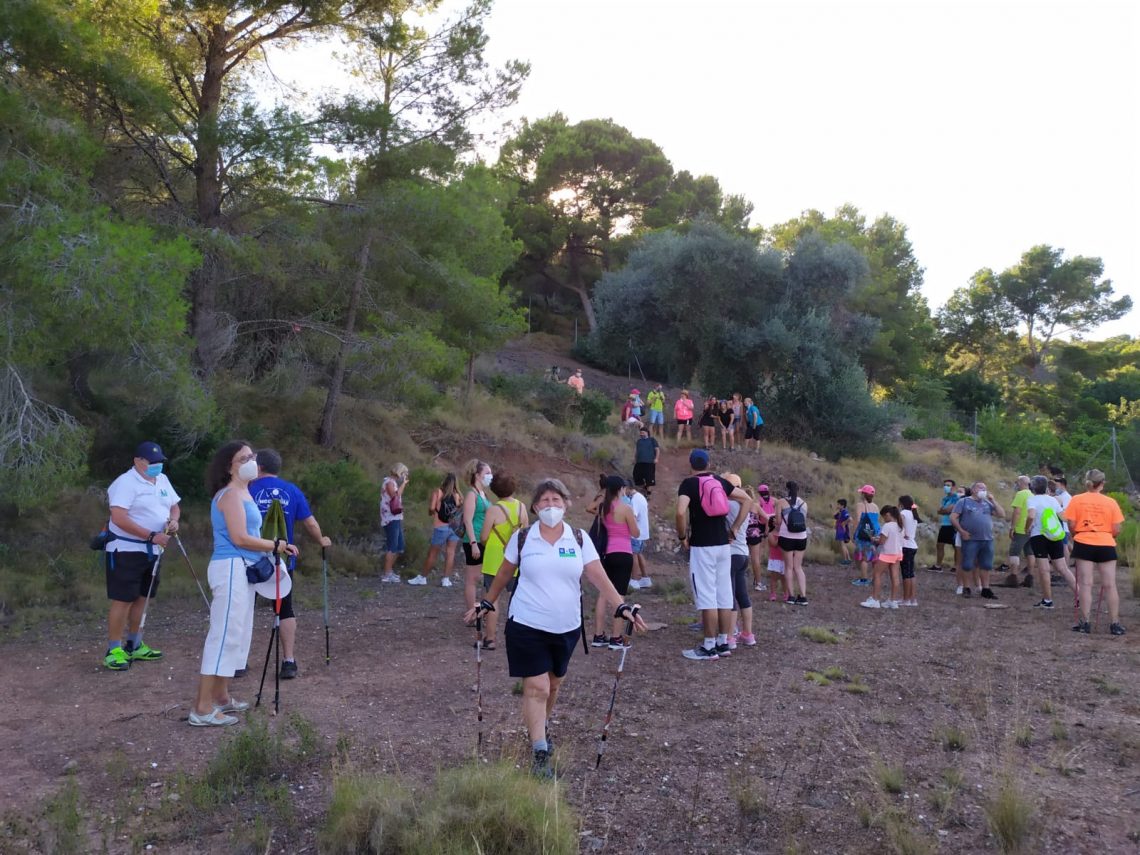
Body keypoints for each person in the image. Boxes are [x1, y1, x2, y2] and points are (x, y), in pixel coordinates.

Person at [466, 479, 648, 778]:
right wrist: (487, 602)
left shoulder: (577, 538)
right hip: (526, 622)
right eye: (545, 501)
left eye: (556, 500)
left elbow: (597, 575)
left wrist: (621, 606)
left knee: (553, 684)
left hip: (566, 627)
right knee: (536, 687)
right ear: (535, 507)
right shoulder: (524, 538)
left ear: (566, 504)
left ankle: (540, 728)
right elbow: (505, 572)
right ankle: (539, 750)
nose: (551, 506)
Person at [191, 440, 298, 726]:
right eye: (244, 458)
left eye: (252, 456)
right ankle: (201, 708)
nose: (252, 460)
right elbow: (239, 537)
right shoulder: (229, 495)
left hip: (243, 569)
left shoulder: (244, 492)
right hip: (230, 568)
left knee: (237, 634)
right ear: (229, 466)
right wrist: (276, 545)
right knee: (223, 634)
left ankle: (222, 697)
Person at [249, 449, 332, 679]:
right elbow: (310, 522)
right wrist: (321, 540)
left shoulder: (247, 489)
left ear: (259, 467)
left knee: (246, 609)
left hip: (252, 559)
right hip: (282, 560)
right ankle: (288, 660)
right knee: (285, 608)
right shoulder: (291, 490)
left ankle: (238, 661)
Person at [101, 441, 182, 671]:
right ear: (138, 461)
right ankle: (113, 649)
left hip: (154, 551)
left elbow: (174, 505)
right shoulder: (125, 483)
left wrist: (174, 520)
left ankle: (134, 644)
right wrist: (150, 536)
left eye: (159, 462)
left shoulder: (162, 480)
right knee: (123, 598)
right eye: (152, 462)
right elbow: (118, 517)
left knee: (142, 598)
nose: (157, 466)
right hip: (127, 550)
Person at [676, 449, 750, 660]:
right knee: (724, 595)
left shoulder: (688, 484)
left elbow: (681, 511)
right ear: (708, 463)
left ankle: (708, 647)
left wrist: (682, 536)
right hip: (724, 546)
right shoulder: (720, 481)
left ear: (691, 464)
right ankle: (723, 643)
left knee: (707, 595)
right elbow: (746, 500)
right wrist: (735, 528)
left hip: (702, 546)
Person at [1064, 469, 1125, 635]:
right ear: (1102, 483)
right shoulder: (1111, 502)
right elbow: (1117, 528)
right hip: (1105, 542)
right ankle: (1115, 624)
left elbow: (1071, 524)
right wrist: (1107, 535)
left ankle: (1085, 623)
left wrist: (1079, 534)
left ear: (1087, 482)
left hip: (1084, 541)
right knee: (1110, 585)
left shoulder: (1077, 499)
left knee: (1085, 584)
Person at [586, 475, 640, 648]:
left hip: (608, 553)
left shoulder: (603, 508)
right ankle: (616, 638)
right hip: (623, 553)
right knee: (620, 596)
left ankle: (598, 635)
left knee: (604, 594)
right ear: (620, 489)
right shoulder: (625, 508)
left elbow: (591, 509)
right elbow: (635, 532)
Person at [479, 471, 528, 650]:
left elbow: (483, 536)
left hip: (494, 559)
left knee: (492, 598)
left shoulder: (493, 509)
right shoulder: (522, 507)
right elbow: (525, 534)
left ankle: (490, 638)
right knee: (517, 598)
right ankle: (518, 636)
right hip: (515, 559)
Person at [1024, 475, 1074, 610]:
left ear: (1032, 487)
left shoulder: (1032, 500)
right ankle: (1080, 594)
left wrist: (1027, 527)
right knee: (1063, 568)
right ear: (1046, 487)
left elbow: (1031, 515)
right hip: (1054, 536)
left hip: (1039, 536)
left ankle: (1047, 600)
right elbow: (1063, 516)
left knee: (1044, 570)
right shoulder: (1053, 500)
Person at [950, 481, 1006, 599]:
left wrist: (993, 501)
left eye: (985, 488)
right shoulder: (963, 502)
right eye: (981, 488)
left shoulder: (987, 503)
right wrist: (961, 531)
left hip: (987, 539)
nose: (983, 490)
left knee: (986, 565)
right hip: (971, 539)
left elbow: (1001, 514)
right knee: (967, 564)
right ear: (973, 489)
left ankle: (986, 589)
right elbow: (953, 517)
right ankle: (966, 588)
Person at [723, 473, 757, 648]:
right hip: (743, 552)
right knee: (743, 595)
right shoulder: (746, 504)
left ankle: (729, 637)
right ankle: (748, 634)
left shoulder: (728, 504)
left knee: (730, 596)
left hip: (730, 554)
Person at [417, 473, 463, 588]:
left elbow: (432, 508)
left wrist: (432, 512)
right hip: (454, 528)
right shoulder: (457, 495)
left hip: (441, 526)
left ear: (444, 480)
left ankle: (423, 578)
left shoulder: (438, 492)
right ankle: (446, 579)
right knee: (451, 553)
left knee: (433, 553)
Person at [461, 459, 494, 613]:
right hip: (473, 540)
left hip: (485, 540)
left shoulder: (484, 494)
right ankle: (471, 612)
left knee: (483, 578)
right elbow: (467, 520)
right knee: (472, 579)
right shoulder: (471, 494)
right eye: (487, 473)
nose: (490, 476)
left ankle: (481, 610)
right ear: (477, 475)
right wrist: (474, 543)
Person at [861, 505, 902, 609]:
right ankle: (893, 601)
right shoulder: (900, 525)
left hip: (887, 553)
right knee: (895, 577)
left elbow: (882, 541)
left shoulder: (887, 526)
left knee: (877, 574)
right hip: (897, 553)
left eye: (884, 517)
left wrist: (874, 539)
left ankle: (875, 600)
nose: (884, 519)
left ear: (888, 515)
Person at [775, 481, 809, 605]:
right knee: (798, 567)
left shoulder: (780, 502)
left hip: (786, 537)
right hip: (801, 537)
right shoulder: (804, 504)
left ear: (787, 489)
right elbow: (803, 521)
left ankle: (791, 596)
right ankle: (803, 597)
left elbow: (778, 522)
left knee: (788, 567)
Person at [379, 463, 409, 583]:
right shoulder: (389, 482)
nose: (404, 476)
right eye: (403, 473)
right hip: (390, 518)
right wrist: (404, 485)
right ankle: (386, 574)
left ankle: (389, 571)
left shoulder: (393, 482)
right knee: (392, 546)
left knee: (399, 546)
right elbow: (395, 496)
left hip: (395, 517)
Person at [1004, 475, 1035, 588]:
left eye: (1017, 482)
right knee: (1030, 552)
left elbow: (1017, 511)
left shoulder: (1020, 494)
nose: (1016, 484)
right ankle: (1030, 577)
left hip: (1021, 527)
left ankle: (1013, 576)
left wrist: (1012, 527)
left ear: (1021, 483)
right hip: (1031, 528)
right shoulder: (1032, 495)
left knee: (1014, 552)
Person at [851, 486, 880, 587]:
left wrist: (853, 533)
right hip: (875, 532)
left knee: (864, 558)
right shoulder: (876, 507)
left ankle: (864, 579)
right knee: (874, 557)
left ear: (863, 494)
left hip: (864, 533)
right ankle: (874, 578)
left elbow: (858, 520)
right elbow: (876, 521)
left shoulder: (860, 505)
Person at [627, 480, 652, 589]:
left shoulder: (635, 499)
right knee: (639, 553)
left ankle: (634, 580)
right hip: (642, 531)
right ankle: (645, 578)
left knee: (634, 555)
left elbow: (634, 516)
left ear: (627, 488)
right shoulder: (640, 497)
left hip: (636, 532)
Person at [931, 479, 959, 572]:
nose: (946, 487)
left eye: (948, 485)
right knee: (940, 545)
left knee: (956, 546)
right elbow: (940, 511)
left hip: (953, 524)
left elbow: (947, 510)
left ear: (953, 487)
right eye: (945, 485)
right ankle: (938, 565)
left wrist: (944, 510)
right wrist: (944, 510)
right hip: (945, 524)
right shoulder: (944, 498)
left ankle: (956, 566)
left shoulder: (956, 497)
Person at [898, 496, 920, 606]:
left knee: (905, 574)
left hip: (905, 545)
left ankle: (905, 599)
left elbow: (900, 529)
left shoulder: (903, 514)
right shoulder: (913, 514)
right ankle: (912, 599)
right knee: (911, 573)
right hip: (912, 545)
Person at [754, 484, 777, 591]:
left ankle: (758, 572)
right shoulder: (774, 500)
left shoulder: (759, 501)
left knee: (760, 550)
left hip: (761, 524)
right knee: (771, 547)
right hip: (772, 524)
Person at [632, 425, 660, 497]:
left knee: (649, 478)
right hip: (639, 462)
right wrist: (634, 459)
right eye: (640, 433)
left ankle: (648, 493)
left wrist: (656, 458)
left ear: (647, 433)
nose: (641, 434)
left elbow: (657, 450)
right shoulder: (639, 441)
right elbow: (636, 451)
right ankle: (644, 488)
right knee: (636, 475)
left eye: (643, 432)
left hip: (649, 462)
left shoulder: (652, 440)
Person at [834, 499, 852, 564]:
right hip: (840, 529)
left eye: (838, 504)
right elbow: (835, 516)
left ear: (842, 505)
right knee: (844, 545)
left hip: (841, 529)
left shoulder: (844, 512)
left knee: (842, 545)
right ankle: (848, 559)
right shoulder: (840, 512)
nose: (837, 505)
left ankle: (845, 559)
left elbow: (850, 519)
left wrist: (844, 523)